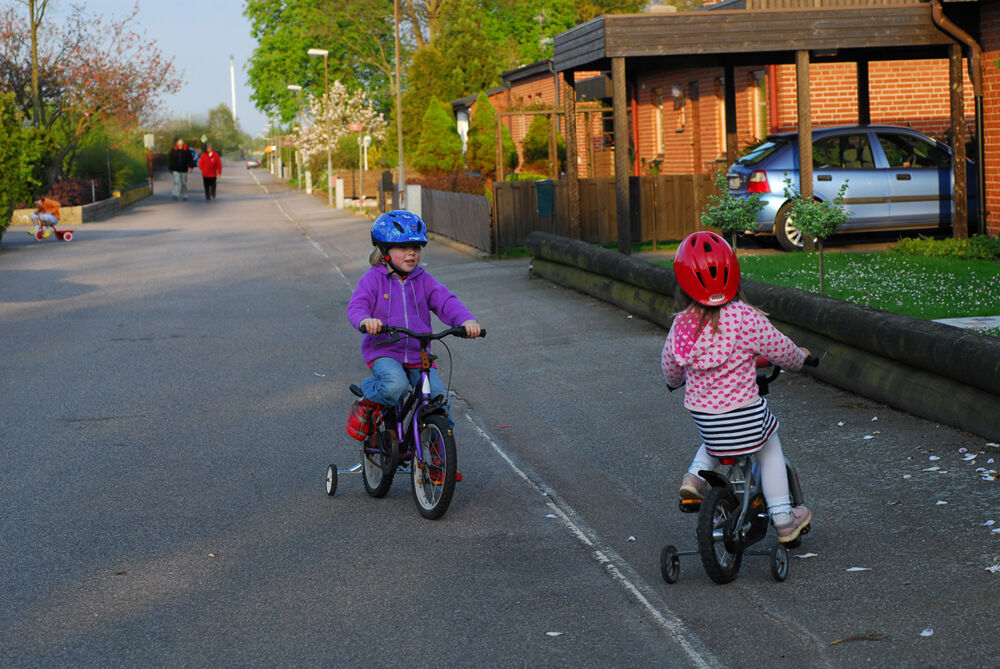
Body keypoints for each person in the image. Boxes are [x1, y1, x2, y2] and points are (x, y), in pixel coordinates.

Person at [661, 231, 812, 544]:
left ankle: (694, 477)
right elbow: (781, 350)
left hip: (705, 418)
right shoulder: (745, 317)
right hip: (745, 416)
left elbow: (671, 369)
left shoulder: (682, 324)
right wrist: (800, 358)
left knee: (715, 440)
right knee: (768, 447)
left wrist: (676, 382)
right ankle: (784, 519)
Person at [345, 210, 481, 440]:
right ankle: (368, 399)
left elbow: (446, 302)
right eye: (403, 247)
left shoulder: (423, 280)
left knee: (438, 399)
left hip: (419, 354)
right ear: (384, 251)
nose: (411, 253)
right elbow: (357, 307)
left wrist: (466, 320)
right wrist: (365, 321)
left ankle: (438, 451)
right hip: (385, 351)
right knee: (395, 386)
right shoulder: (373, 280)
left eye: (416, 247)